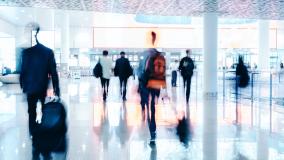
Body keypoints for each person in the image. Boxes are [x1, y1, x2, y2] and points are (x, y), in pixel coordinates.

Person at [19, 23, 60, 159]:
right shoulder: (47, 52)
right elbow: (53, 72)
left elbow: (22, 71)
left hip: (30, 88)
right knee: (43, 110)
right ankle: (41, 135)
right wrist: (57, 90)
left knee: (31, 112)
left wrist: (22, 85)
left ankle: (35, 137)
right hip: (42, 87)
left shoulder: (25, 52)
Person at [138, 31, 166, 147]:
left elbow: (142, 71)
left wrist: (139, 84)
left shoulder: (145, 55)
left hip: (147, 83)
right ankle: (153, 126)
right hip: (157, 84)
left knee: (148, 103)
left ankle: (151, 123)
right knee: (153, 104)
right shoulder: (161, 56)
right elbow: (163, 72)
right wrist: (165, 88)